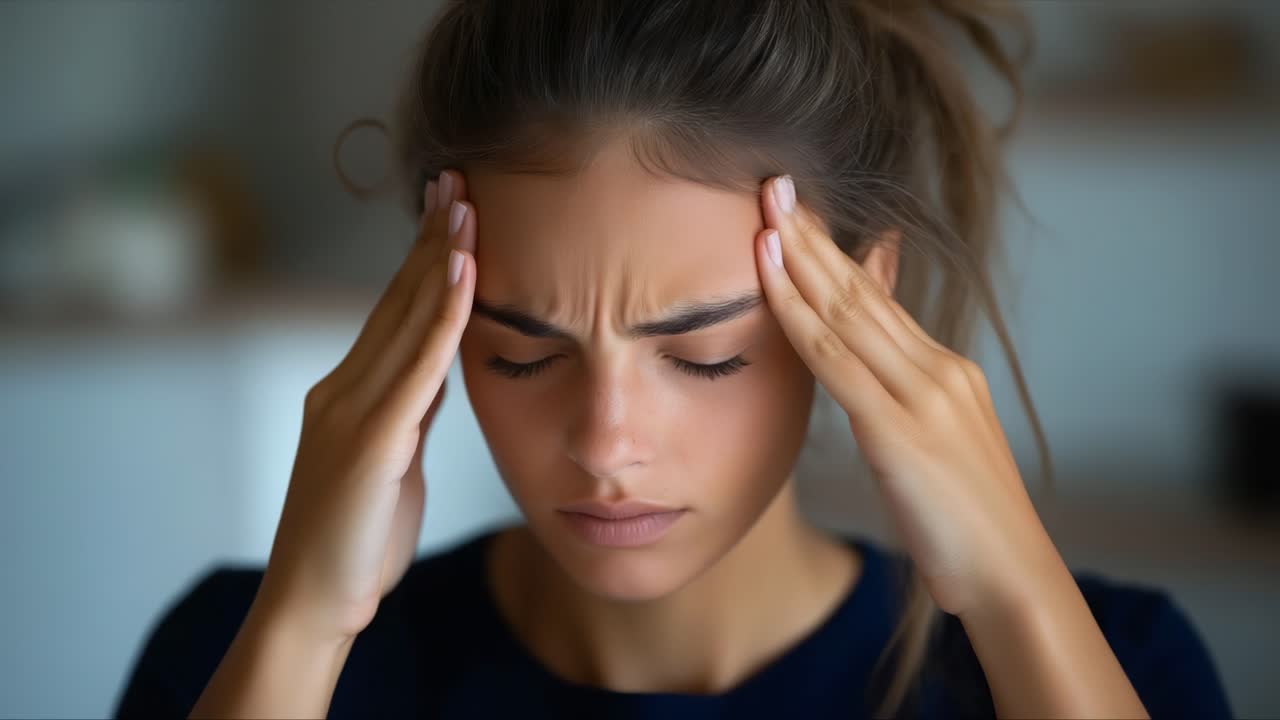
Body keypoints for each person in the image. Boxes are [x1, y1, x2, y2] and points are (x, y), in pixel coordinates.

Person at [114, 1, 1233, 718]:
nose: (605, 448)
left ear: (864, 301)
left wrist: (1011, 595)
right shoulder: (241, 659)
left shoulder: (1108, 671)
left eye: (702, 356)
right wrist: (304, 624)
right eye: (514, 355)